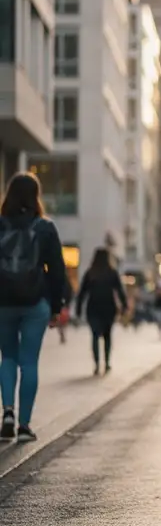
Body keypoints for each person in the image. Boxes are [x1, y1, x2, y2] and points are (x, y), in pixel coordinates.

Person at [0, 172, 67, 442]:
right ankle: (25, 426)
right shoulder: (45, 227)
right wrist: (55, 305)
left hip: (3, 303)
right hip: (35, 302)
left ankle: (7, 413)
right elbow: (57, 270)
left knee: (7, 358)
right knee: (29, 362)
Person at [76, 248, 127, 375]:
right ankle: (107, 362)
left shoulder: (90, 273)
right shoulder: (112, 272)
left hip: (93, 308)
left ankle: (97, 364)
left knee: (94, 336)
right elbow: (120, 290)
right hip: (109, 308)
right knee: (107, 336)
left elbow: (82, 293)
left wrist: (78, 309)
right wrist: (124, 305)